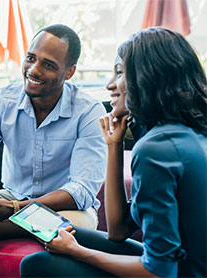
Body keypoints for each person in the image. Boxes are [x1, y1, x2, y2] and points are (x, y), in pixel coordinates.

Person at [20, 27, 207, 277]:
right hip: (182, 263)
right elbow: (118, 230)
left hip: (180, 272)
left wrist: (76, 251)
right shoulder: (187, 131)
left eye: (119, 72)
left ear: (147, 78)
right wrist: (114, 145)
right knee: (63, 232)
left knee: (37, 265)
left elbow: (159, 271)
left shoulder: (157, 149)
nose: (110, 85)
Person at [0, 24, 107, 266]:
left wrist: (16, 208)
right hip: (11, 198)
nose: (33, 70)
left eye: (48, 64)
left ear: (69, 72)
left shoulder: (88, 111)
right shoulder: (2, 101)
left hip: (64, 210)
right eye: (31, 58)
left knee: (61, 233)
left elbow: (81, 192)